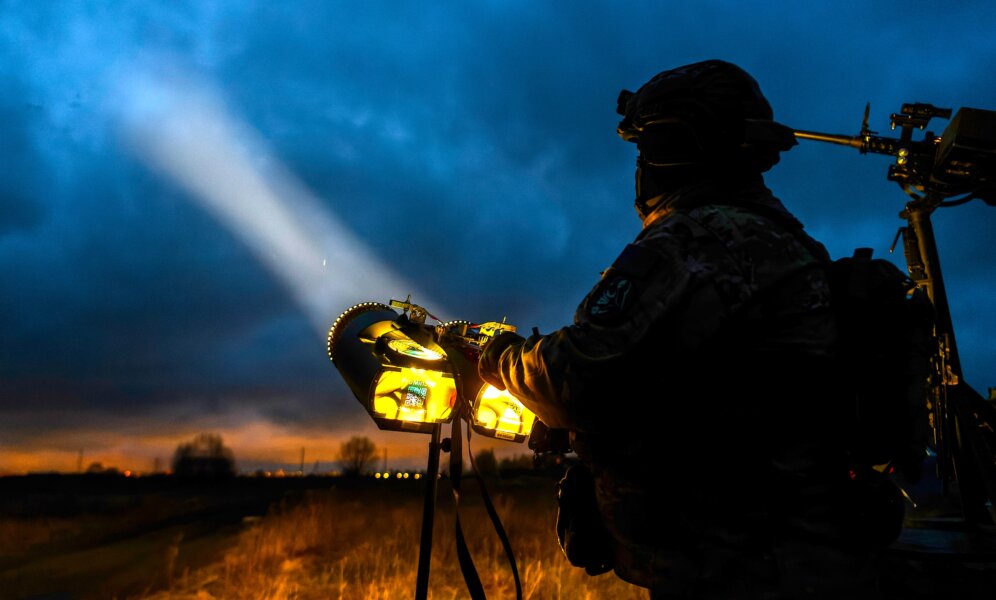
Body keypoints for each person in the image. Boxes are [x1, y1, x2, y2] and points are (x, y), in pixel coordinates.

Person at [479, 60, 884, 599]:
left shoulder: (701, 239)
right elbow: (702, 391)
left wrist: (498, 356)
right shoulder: (777, 241)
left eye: (646, 146)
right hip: (791, 559)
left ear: (675, 145)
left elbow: (575, 376)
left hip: (744, 571)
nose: (641, 166)